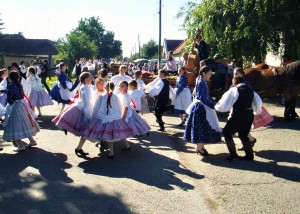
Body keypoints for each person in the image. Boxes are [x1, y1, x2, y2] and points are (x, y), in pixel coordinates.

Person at [82, 82, 134, 159]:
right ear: (113, 88)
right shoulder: (115, 96)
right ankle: (112, 152)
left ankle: (105, 148)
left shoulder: (102, 96)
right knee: (112, 135)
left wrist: (93, 117)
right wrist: (118, 116)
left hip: (103, 117)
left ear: (105, 88)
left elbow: (96, 107)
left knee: (103, 133)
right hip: (114, 117)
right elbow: (119, 107)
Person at [215, 76, 262, 161]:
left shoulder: (234, 90)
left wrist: (217, 107)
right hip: (249, 114)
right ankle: (249, 155)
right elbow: (258, 103)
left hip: (238, 115)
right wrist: (256, 112)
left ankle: (233, 154)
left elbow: (224, 104)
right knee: (244, 134)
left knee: (226, 132)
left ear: (234, 83)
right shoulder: (251, 91)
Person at [52, 72, 94, 156]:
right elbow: (86, 103)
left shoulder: (84, 87)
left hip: (82, 109)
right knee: (85, 131)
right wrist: (88, 116)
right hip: (84, 111)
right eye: (90, 78)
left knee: (85, 132)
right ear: (85, 79)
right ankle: (79, 148)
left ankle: (79, 148)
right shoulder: (85, 89)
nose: (92, 79)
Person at [183, 66, 222, 156]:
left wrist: (214, 103)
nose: (210, 76)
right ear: (203, 74)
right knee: (203, 128)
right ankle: (200, 148)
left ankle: (200, 147)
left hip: (200, 107)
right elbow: (204, 98)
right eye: (209, 74)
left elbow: (205, 97)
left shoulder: (201, 80)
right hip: (201, 108)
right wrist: (214, 105)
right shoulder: (202, 82)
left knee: (203, 128)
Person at [3, 71, 40, 152]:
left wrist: (9, 103)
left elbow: (10, 97)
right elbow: (21, 94)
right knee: (25, 123)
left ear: (10, 78)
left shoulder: (10, 86)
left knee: (13, 125)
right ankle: (32, 141)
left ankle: (20, 145)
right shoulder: (19, 84)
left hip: (15, 106)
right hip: (22, 105)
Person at [118, 81, 150, 146]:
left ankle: (126, 140)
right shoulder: (121, 94)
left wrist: (123, 118)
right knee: (134, 123)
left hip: (127, 112)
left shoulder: (126, 96)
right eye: (119, 86)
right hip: (123, 111)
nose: (120, 87)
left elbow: (126, 108)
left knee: (132, 124)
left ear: (126, 87)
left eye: (122, 86)